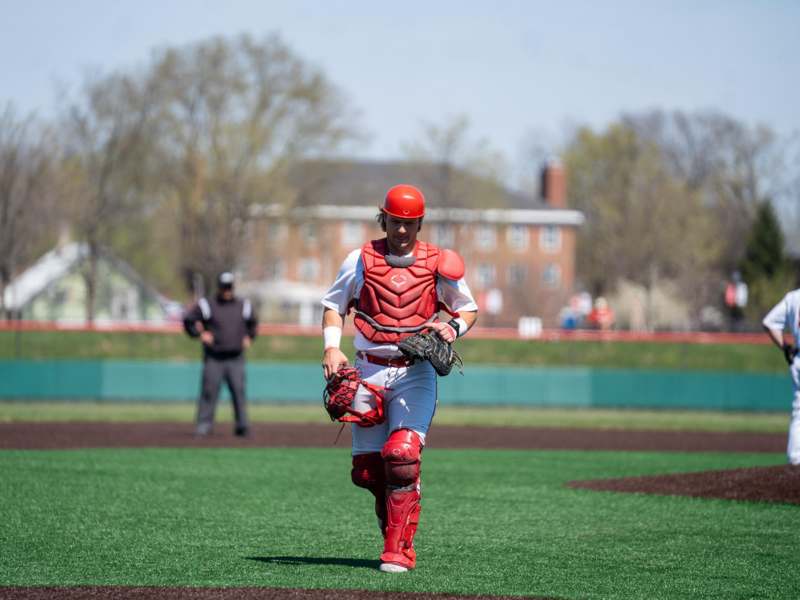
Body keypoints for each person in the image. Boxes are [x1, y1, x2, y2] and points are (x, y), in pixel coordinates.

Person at [320, 184, 479, 573]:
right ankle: (391, 514)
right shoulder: (360, 259)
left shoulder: (438, 262)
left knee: (402, 456)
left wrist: (452, 329)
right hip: (369, 368)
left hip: (415, 373)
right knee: (369, 472)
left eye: (410, 223)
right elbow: (332, 305)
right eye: (396, 221)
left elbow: (468, 308)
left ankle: (399, 548)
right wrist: (330, 347)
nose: (402, 230)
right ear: (384, 218)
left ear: (420, 223)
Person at [183, 271, 258, 437]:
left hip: (236, 357)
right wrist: (199, 333)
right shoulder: (207, 305)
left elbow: (253, 324)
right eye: (224, 287)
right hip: (214, 357)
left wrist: (249, 337)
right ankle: (204, 425)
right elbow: (188, 321)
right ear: (219, 287)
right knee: (209, 392)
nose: (227, 291)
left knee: (239, 391)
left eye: (229, 287)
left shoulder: (243, 305)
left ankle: (242, 426)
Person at [762, 289, 800, 466]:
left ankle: (795, 460)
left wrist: (785, 347)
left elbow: (769, 323)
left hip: (798, 360)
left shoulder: (793, 297)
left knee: (799, 411)